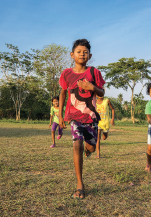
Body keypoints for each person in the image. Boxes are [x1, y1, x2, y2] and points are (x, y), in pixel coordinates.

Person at [58, 39, 105, 199]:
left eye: (85, 52)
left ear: (90, 55)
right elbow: (63, 93)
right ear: (72, 55)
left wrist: (91, 87)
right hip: (74, 117)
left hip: (91, 117)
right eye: (79, 51)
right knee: (76, 145)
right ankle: (80, 185)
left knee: (91, 147)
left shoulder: (94, 72)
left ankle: (88, 149)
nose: (82, 54)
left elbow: (102, 93)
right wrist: (60, 115)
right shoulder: (66, 74)